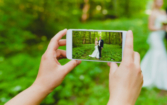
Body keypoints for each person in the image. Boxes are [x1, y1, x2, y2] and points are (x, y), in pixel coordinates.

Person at [5, 30, 143, 105]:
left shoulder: (101, 41)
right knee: (96, 52)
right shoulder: (97, 41)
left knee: (98, 52)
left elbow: (100, 44)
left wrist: (41, 85)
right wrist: (122, 99)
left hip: (99, 49)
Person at [141, 0, 167, 91]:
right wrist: (161, 28)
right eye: (158, 1)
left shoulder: (163, 12)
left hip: (161, 37)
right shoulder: (152, 13)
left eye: (162, 1)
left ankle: (161, 79)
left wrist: (166, 28)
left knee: (159, 55)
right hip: (155, 37)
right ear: (155, 2)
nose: (160, 3)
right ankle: (151, 78)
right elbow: (150, 27)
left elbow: (166, 22)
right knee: (157, 54)